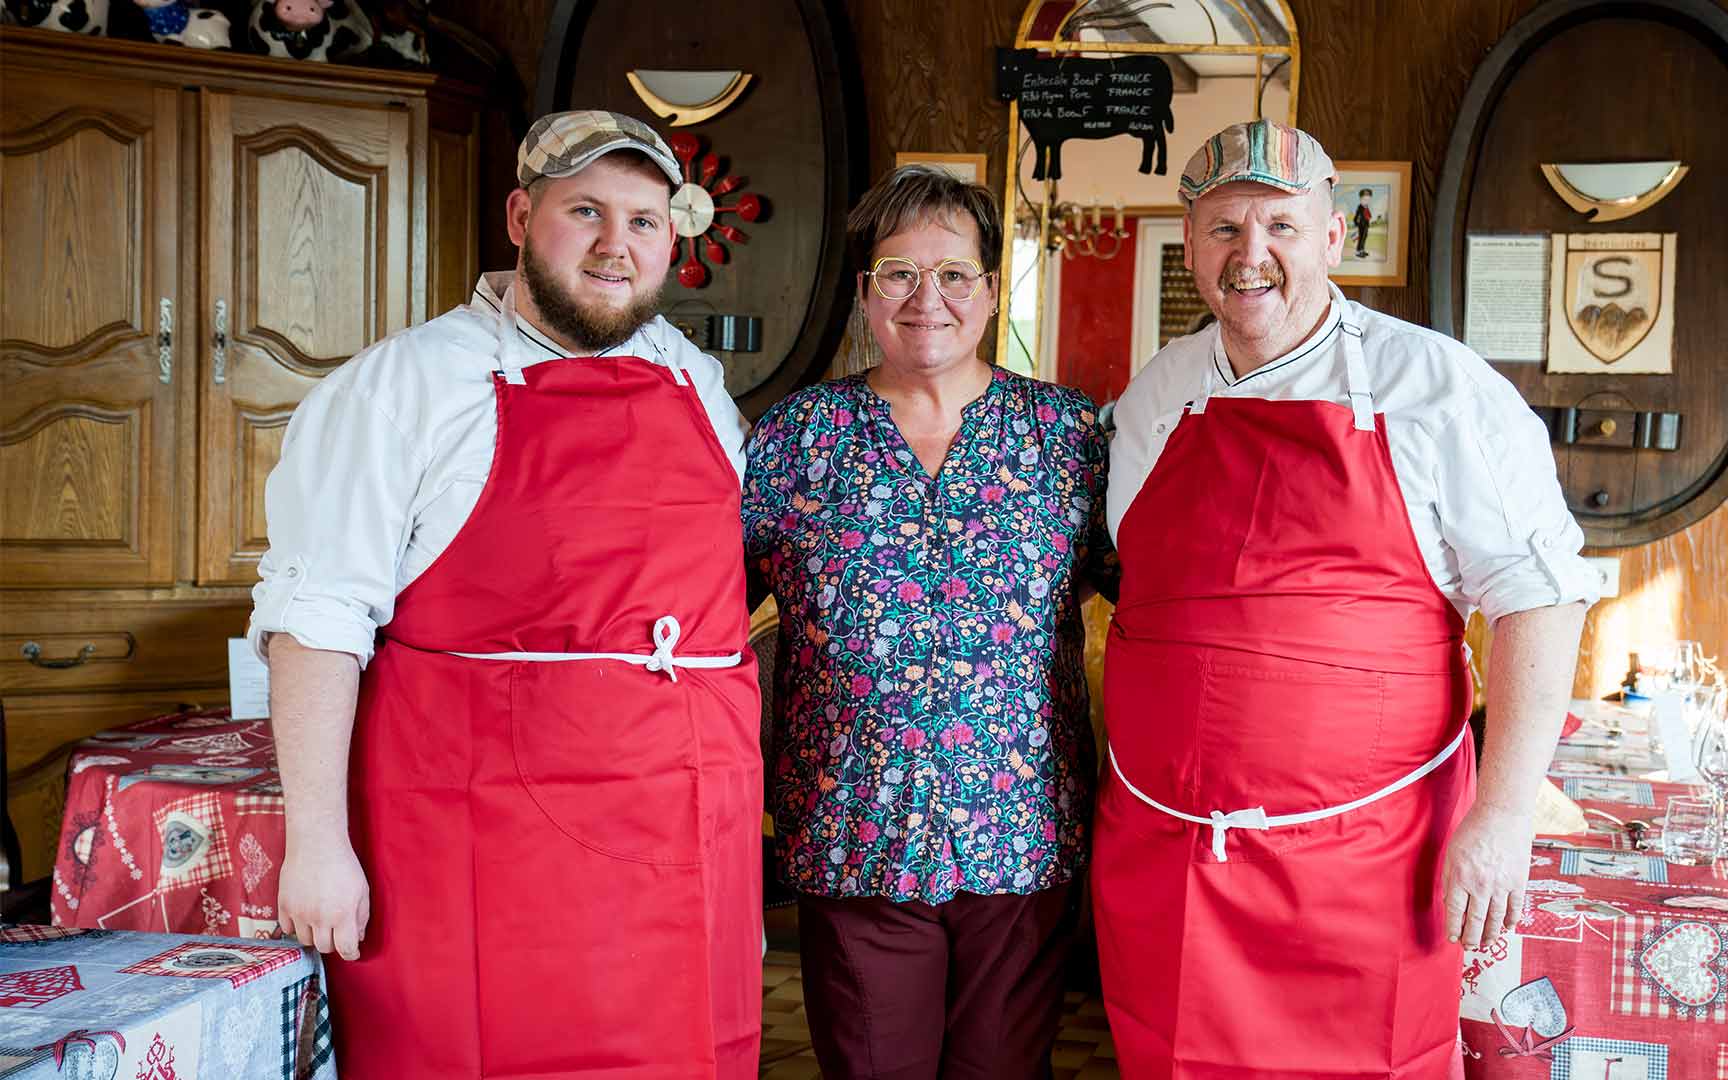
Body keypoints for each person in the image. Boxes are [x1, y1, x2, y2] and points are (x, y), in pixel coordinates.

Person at [250, 109, 761, 1078]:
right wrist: (315, 845)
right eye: (587, 212)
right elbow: (316, 622)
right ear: (523, 215)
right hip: (483, 840)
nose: (618, 246)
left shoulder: (693, 378)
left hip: (688, 825)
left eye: (646, 221)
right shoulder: (403, 385)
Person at [1094, 119, 1598, 1078]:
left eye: (1281, 226)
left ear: (1334, 238)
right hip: (1168, 861)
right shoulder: (1157, 393)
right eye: (1224, 229)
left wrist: (1502, 819)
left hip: (1373, 867)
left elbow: (1539, 597)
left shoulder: (1436, 386)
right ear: (1191, 242)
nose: (1252, 256)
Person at [741, 165, 1116, 1079]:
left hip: (1023, 835)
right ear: (866, 291)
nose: (928, 299)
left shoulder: (1066, 436)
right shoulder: (795, 438)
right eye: (899, 273)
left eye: (954, 274)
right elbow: (702, 612)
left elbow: (1152, 598)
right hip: (852, 832)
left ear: (991, 289)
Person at [1353, 186, 1374, 258]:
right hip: (1361, 225)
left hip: (1366, 224)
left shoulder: (1366, 207)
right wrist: (1356, 222)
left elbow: (1367, 215)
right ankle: (1358, 251)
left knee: (1364, 237)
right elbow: (1357, 215)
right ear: (1361, 199)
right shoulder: (1360, 207)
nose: (1366, 201)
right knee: (1361, 238)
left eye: (1368, 199)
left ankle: (1362, 250)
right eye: (1364, 199)